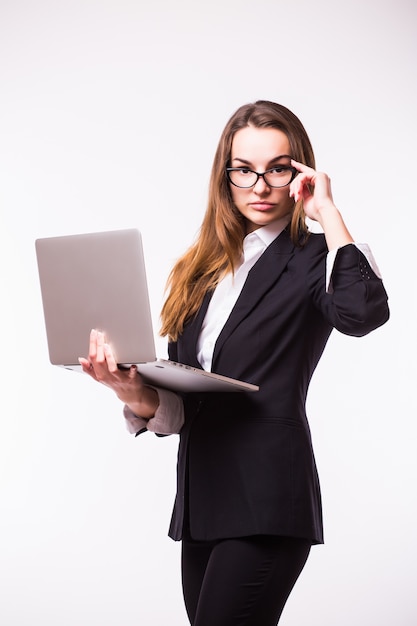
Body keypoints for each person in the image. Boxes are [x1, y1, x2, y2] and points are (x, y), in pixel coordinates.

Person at [79, 100, 389, 625]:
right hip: (204, 500)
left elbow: (362, 314)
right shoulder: (201, 272)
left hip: (268, 498)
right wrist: (128, 390)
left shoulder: (318, 257)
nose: (260, 186)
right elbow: (185, 406)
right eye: (245, 170)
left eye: (278, 168)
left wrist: (330, 216)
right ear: (226, 177)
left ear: (301, 174)